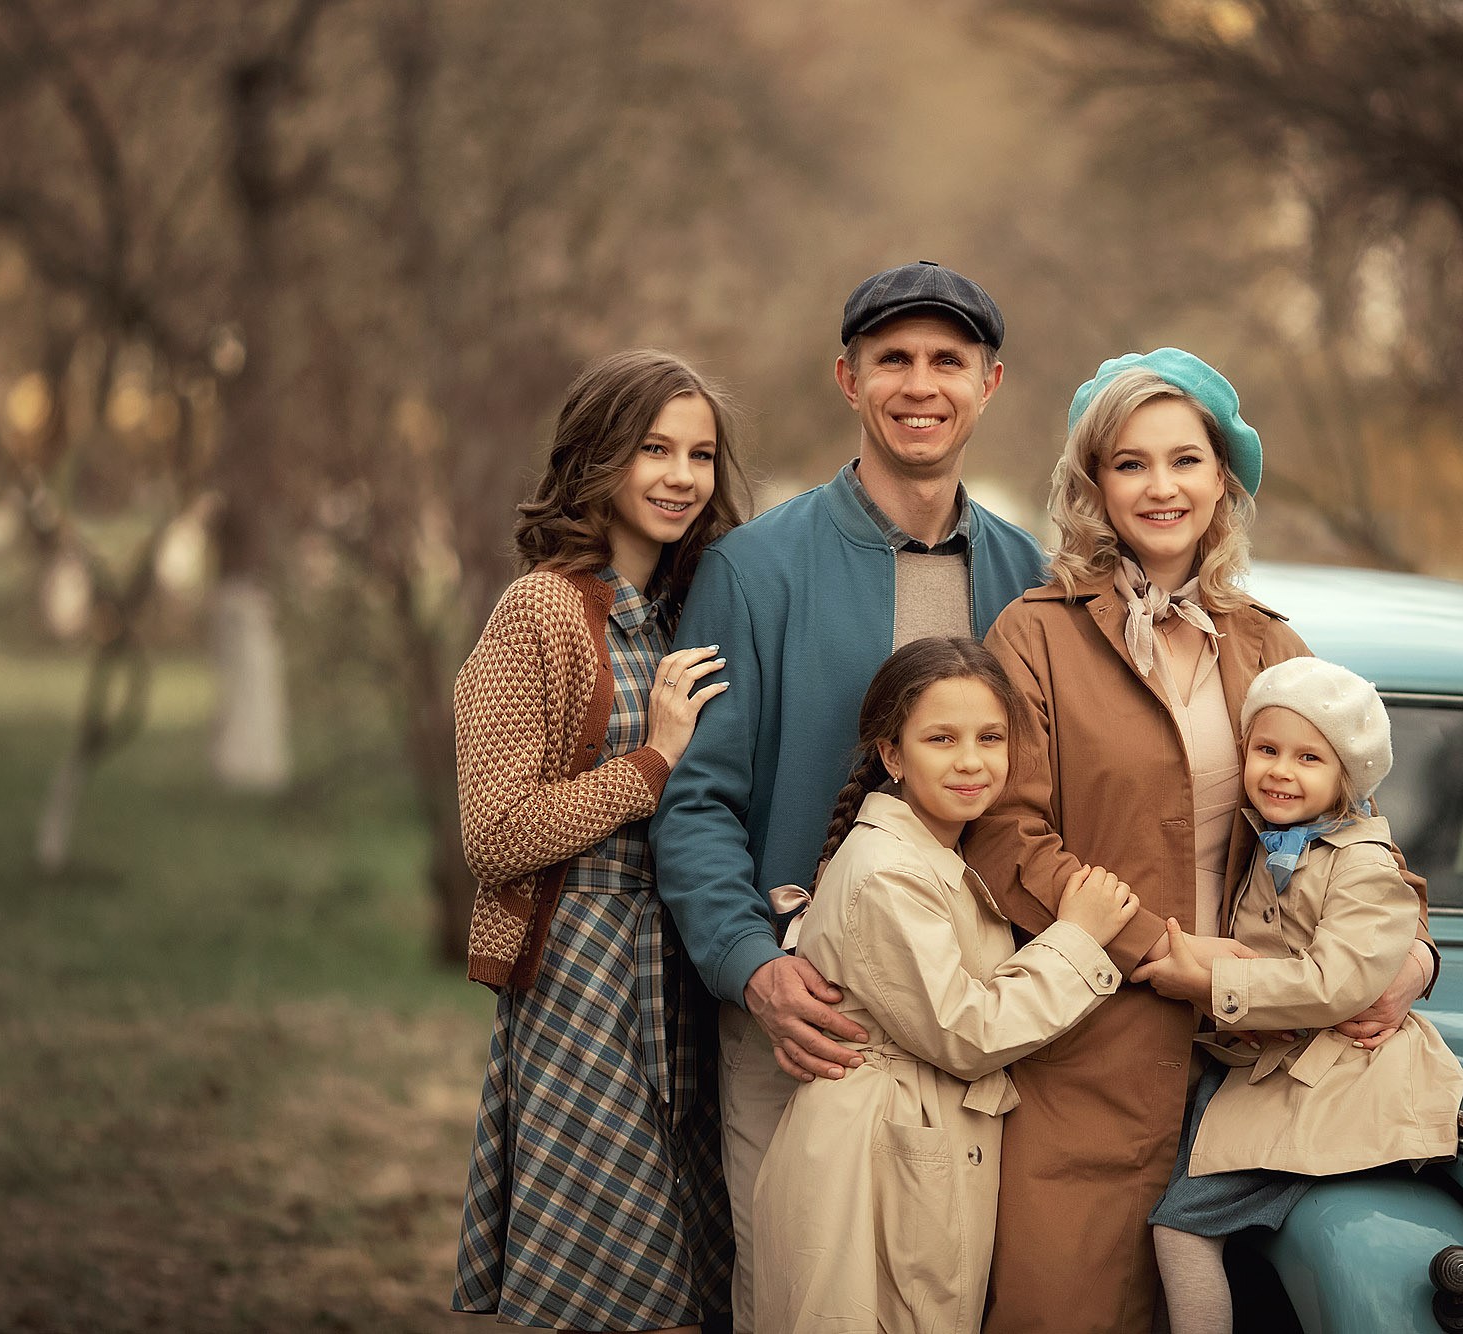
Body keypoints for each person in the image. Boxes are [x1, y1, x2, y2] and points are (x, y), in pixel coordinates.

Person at [963, 348, 1440, 1333]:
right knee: (1063, 1308)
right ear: (1091, 482)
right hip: (1082, 1052)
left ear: (1223, 476)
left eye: (1184, 459)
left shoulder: (1270, 642)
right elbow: (1006, 834)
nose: (1159, 485)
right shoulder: (1033, 633)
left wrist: (1413, 957)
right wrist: (1156, 947)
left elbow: (1350, 827)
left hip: (1261, 1065)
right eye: (1128, 462)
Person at [649, 262, 1049, 1331]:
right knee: (798, 1299)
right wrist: (755, 971)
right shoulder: (753, 568)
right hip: (804, 1020)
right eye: (892, 360)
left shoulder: (1029, 579)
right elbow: (694, 805)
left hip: (968, 1019)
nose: (919, 384)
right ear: (847, 377)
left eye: (946, 361)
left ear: (989, 382)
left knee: (948, 1300)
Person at [449, 349, 747, 1333]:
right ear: (596, 457)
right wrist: (651, 760)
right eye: (653, 447)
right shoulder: (537, 610)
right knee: (611, 1294)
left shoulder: (694, 608)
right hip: (584, 978)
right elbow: (495, 834)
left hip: (691, 977)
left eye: (700, 453)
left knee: (704, 1285)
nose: (680, 474)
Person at [750, 636, 1136, 1333]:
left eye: (991, 737)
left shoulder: (931, 854)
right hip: (868, 1162)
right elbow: (965, 1029)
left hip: (903, 1145)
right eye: (941, 738)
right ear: (892, 755)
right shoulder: (888, 871)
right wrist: (1078, 936)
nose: (970, 760)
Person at [1131, 656, 1463, 1334]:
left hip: (1335, 1079)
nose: (1281, 770)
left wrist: (1210, 981)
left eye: (1309, 757)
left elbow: (1331, 982)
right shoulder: (1274, 842)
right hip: (1273, 1067)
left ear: (1347, 778)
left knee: (1182, 1229)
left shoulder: (1363, 862)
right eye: (1266, 750)